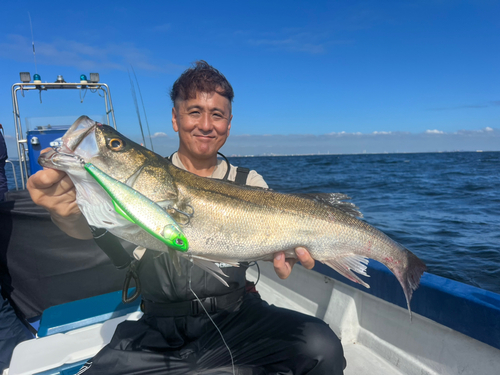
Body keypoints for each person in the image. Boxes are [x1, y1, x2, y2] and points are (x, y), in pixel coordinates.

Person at [27, 61, 345, 374]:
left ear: (229, 124)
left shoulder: (250, 183)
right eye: (194, 112)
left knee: (322, 348)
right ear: (175, 118)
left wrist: (287, 249)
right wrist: (65, 210)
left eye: (217, 114)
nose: (206, 124)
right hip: (157, 329)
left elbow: (274, 236)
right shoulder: (139, 180)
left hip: (237, 316)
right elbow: (97, 230)